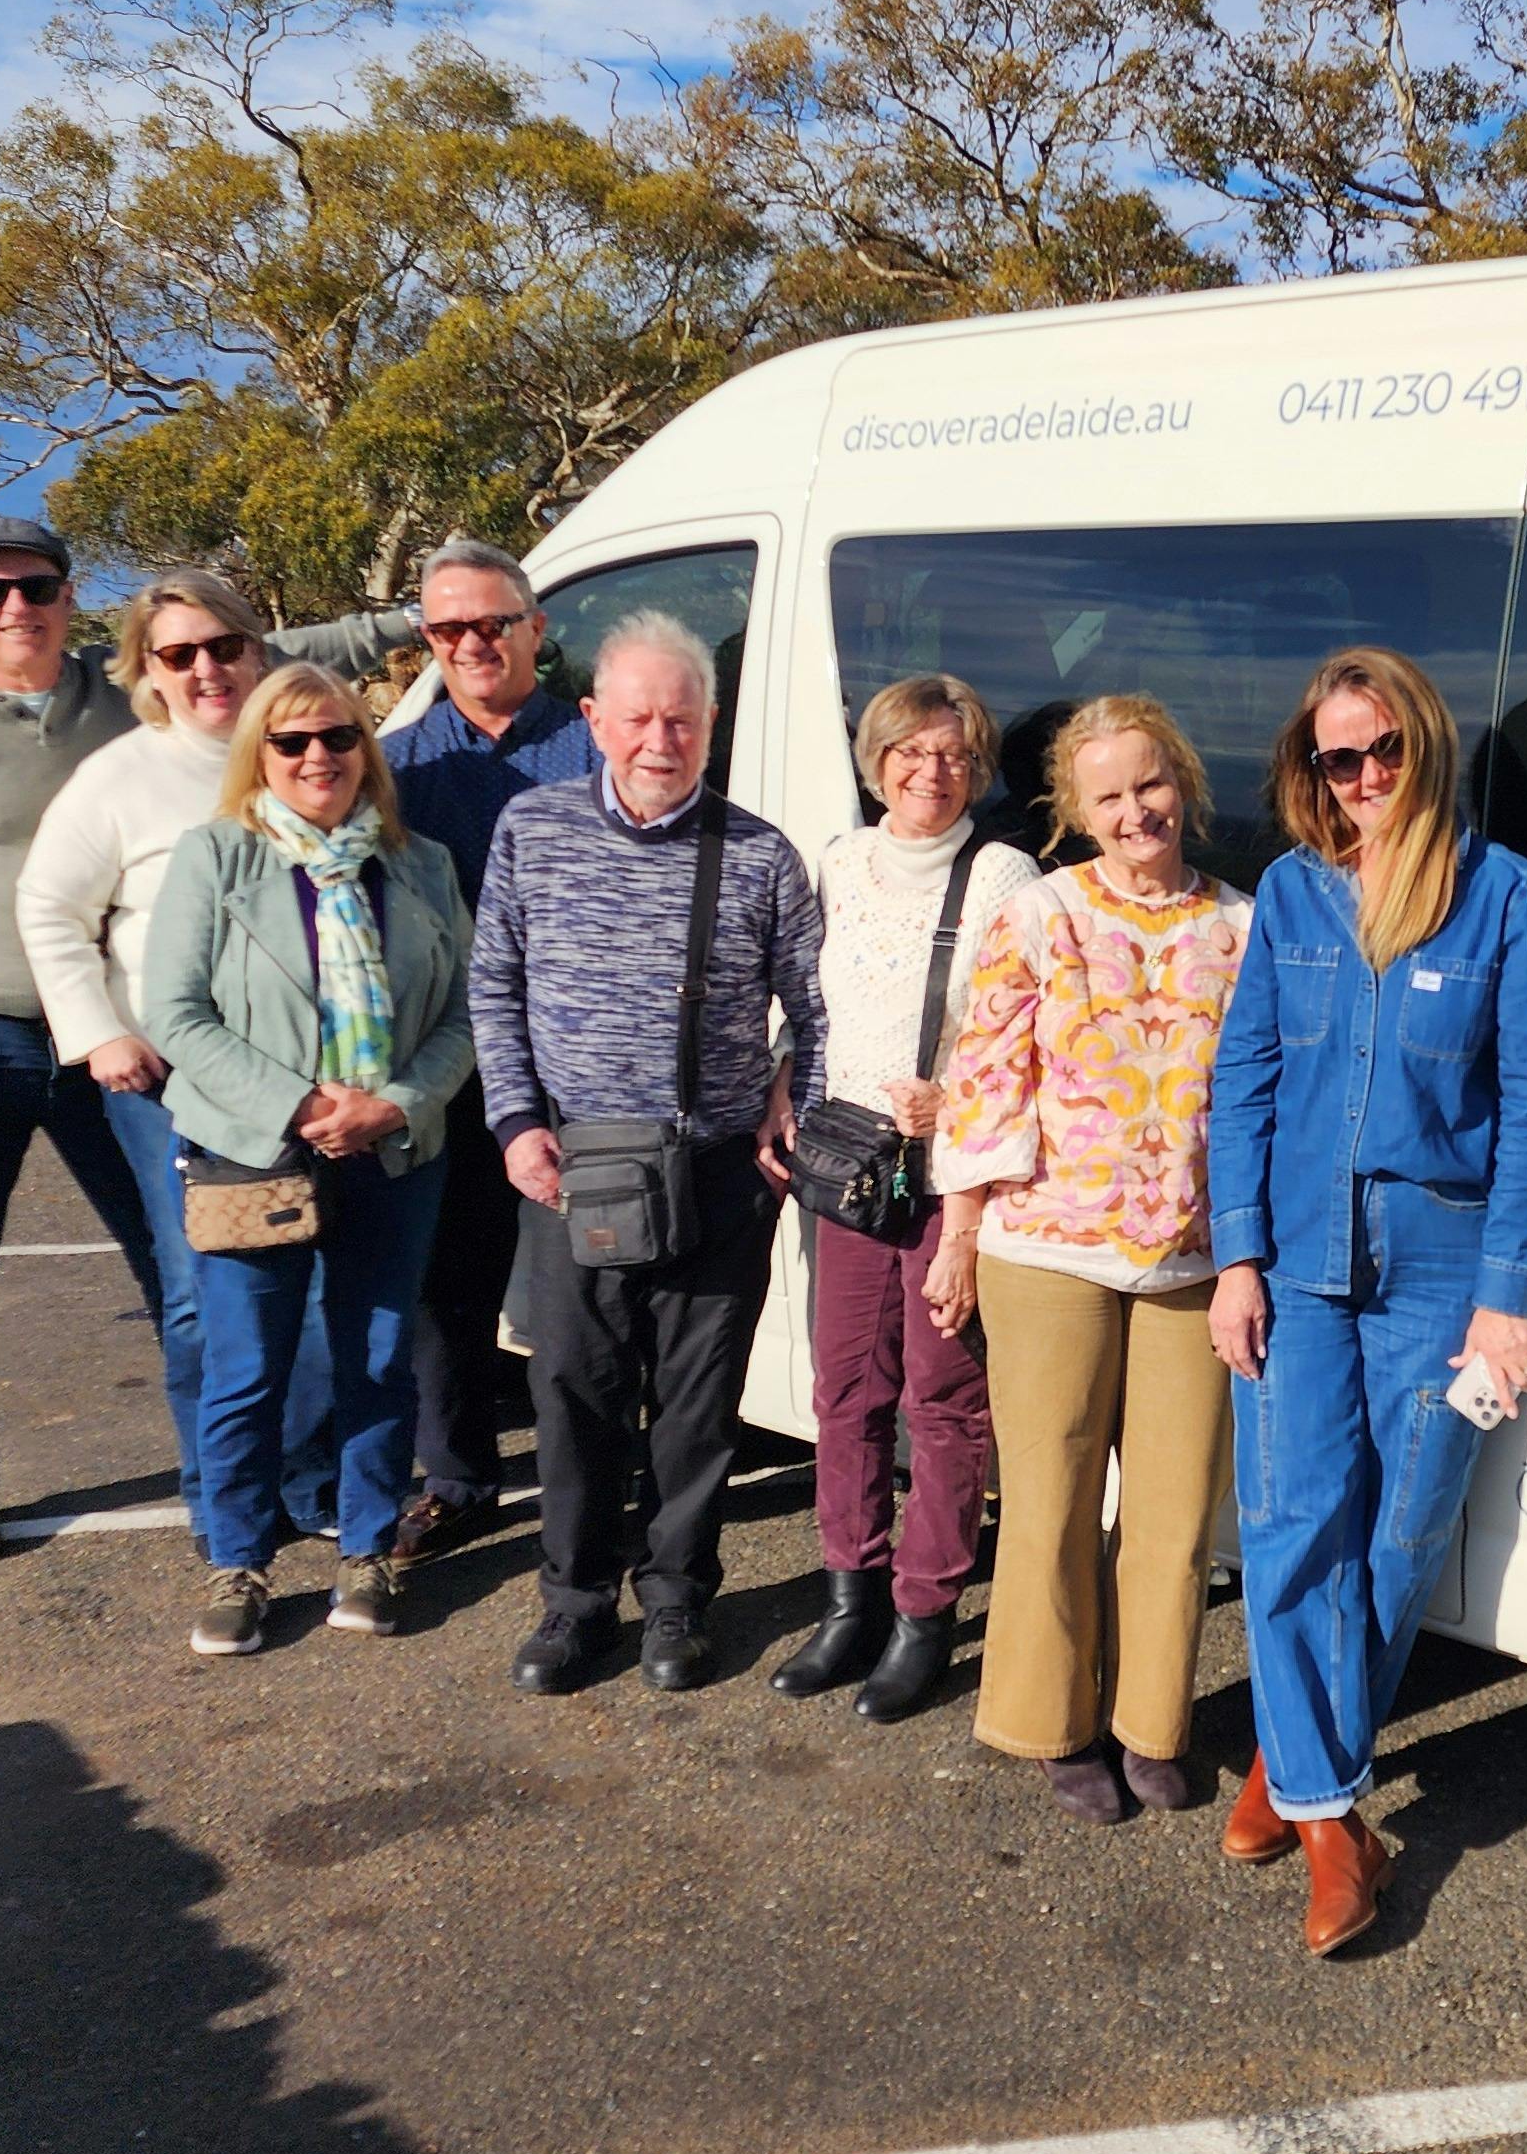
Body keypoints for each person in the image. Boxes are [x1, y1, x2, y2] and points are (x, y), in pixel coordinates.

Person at [0, 516, 381, 1559]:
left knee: (188, 1267)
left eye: (36, 585)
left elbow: (276, 652)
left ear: (69, 596)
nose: (15, 606)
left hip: (122, 1043)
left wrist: (416, 620)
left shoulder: (129, 693)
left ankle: (239, 1485)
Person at [1208, 646, 1527, 1955]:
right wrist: (1234, 1258)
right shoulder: (1292, 897)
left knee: (1402, 1535)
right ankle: (1327, 1824)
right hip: (1298, 1261)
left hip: (1437, 1264)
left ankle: (1290, 1757)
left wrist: (1503, 1296)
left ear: (1423, 747)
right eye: (1334, 759)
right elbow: (1242, 1082)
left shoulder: (1503, 899)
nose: (1360, 779)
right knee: (1297, 1521)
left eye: (1381, 752)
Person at [473, 615, 825, 1696]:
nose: (658, 737)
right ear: (593, 721)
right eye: (636, 717)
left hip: (718, 1175)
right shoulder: (531, 830)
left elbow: (815, 1007)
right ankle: (573, 1607)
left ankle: (677, 1603)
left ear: (710, 725)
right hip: (572, 1171)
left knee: (695, 1409)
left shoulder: (762, 854)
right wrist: (515, 1123)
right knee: (573, 1404)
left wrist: (789, 1101)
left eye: (681, 717)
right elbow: (493, 987)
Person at [930, 696, 1252, 1824]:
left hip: (1192, 1260)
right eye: (1108, 795)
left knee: (1173, 1514)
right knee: (1052, 1497)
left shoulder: (1242, 927)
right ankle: (1050, 1720)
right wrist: (961, 1231)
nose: (1135, 811)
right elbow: (984, 1075)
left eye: (1151, 786)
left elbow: (1258, 1102)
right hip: (1047, 1251)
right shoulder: (1041, 915)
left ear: (1186, 785)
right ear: (1078, 810)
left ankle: (1150, 1724)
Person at [138, 667, 476, 1657]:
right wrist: (299, 1102)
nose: (318, 757)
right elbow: (174, 1012)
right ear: (261, 756)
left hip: (392, 1146)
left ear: (364, 748)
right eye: (291, 743)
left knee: (375, 1359)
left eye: (337, 737)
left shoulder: (422, 865)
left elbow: (462, 1016)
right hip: (255, 1150)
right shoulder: (215, 858)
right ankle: (238, 1563)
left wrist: (393, 1104)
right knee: (247, 1369)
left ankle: (368, 1548)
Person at [12, 569, 337, 1556]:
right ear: (146, 671)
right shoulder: (121, 776)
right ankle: (221, 1494)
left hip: (305, 1078)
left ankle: (312, 1481)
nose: (206, 669)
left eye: (224, 646)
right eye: (178, 654)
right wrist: (99, 1032)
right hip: (174, 1087)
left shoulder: (307, 752)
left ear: (258, 645)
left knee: (316, 1279)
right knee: (202, 1291)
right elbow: (49, 907)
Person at [772, 677, 1036, 1720]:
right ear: (874, 759)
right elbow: (810, 1000)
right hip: (848, 1169)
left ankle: (924, 1613)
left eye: (956, 755)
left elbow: (1030, 1029)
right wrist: (782, 1079)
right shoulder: (840, 862)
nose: (932, 773)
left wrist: (957, 1096)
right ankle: (850, 1600)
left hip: (950, 1181)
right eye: (911, 752)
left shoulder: (1006, 873)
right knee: (846, 1390)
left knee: (941, 1400)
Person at [370, 537, 603, 1570]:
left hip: (576, 1066)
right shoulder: (399, 764)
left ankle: (596, 1480)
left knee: (585, 1293)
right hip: (448, 1062)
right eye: (447, 629)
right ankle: (458, 1479)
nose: (469, 643)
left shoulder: (594, 746)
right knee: (445, 1289)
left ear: (535, 631)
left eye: (491, 624)